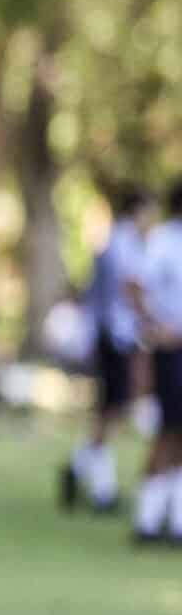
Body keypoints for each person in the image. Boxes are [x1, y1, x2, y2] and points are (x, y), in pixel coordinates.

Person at [66, 186, 156, 514]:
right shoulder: (123, 242)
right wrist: (154, 320)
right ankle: (101, 487)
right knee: (112, 410)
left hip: (116, 337)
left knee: (113, 410)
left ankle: (80, 471)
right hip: (113, 337)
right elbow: (129, 290)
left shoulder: (122, 242)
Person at [127, 181, 182, 544]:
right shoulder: (165, 239)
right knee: (169, 430)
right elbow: (134, 284)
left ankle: (175, 519)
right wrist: (154, 326)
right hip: (172, 350)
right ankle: (147, 520)